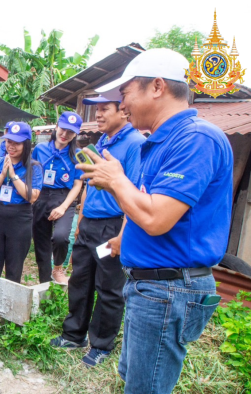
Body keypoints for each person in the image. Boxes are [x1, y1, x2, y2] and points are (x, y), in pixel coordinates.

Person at [82, 48, 232, 391]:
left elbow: (156, 218)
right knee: (133, 378)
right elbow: (149, 209)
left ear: (158, 86)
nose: (123, 106)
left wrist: (116, 179)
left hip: (168, 289)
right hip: (151, 285)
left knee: (145, 388)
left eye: (125, 94)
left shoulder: (195, 138)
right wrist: (125, 239)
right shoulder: (163, 141)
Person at [49, 95, 145, 367]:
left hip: (112, 226)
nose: (98, 114)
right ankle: (74, 335)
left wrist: (122, 236)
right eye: (97, 110)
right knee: (80, 280)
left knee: (109, 287)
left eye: (105, 109)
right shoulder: (102, 142)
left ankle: (101, 345)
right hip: (90, 223)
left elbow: (136, 192)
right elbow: (90, 184)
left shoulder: (135, 144)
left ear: (123, 112)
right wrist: (80, 218)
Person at [0, 122, 42, 304]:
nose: (11, 146)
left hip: (20, 217)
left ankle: (8, 308)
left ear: (26, 144)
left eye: (16, 143)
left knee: (14, 266)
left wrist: (13, 175)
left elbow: (31, 196)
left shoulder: (34, 166)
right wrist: (2, 175)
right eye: (8, 141)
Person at [31, 113, 84, 284]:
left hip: (64, 198)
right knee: (41, 243)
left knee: (61, 237)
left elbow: (77, 185)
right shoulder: (40, 149)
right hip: (41, 196)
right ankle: (44, 282)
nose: (65, 134)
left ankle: (58, 267)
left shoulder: (78, 154)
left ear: (75, 134)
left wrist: (63, 207)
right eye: (63, 129)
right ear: (56, 127)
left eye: (70, 132)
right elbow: (32, 175)